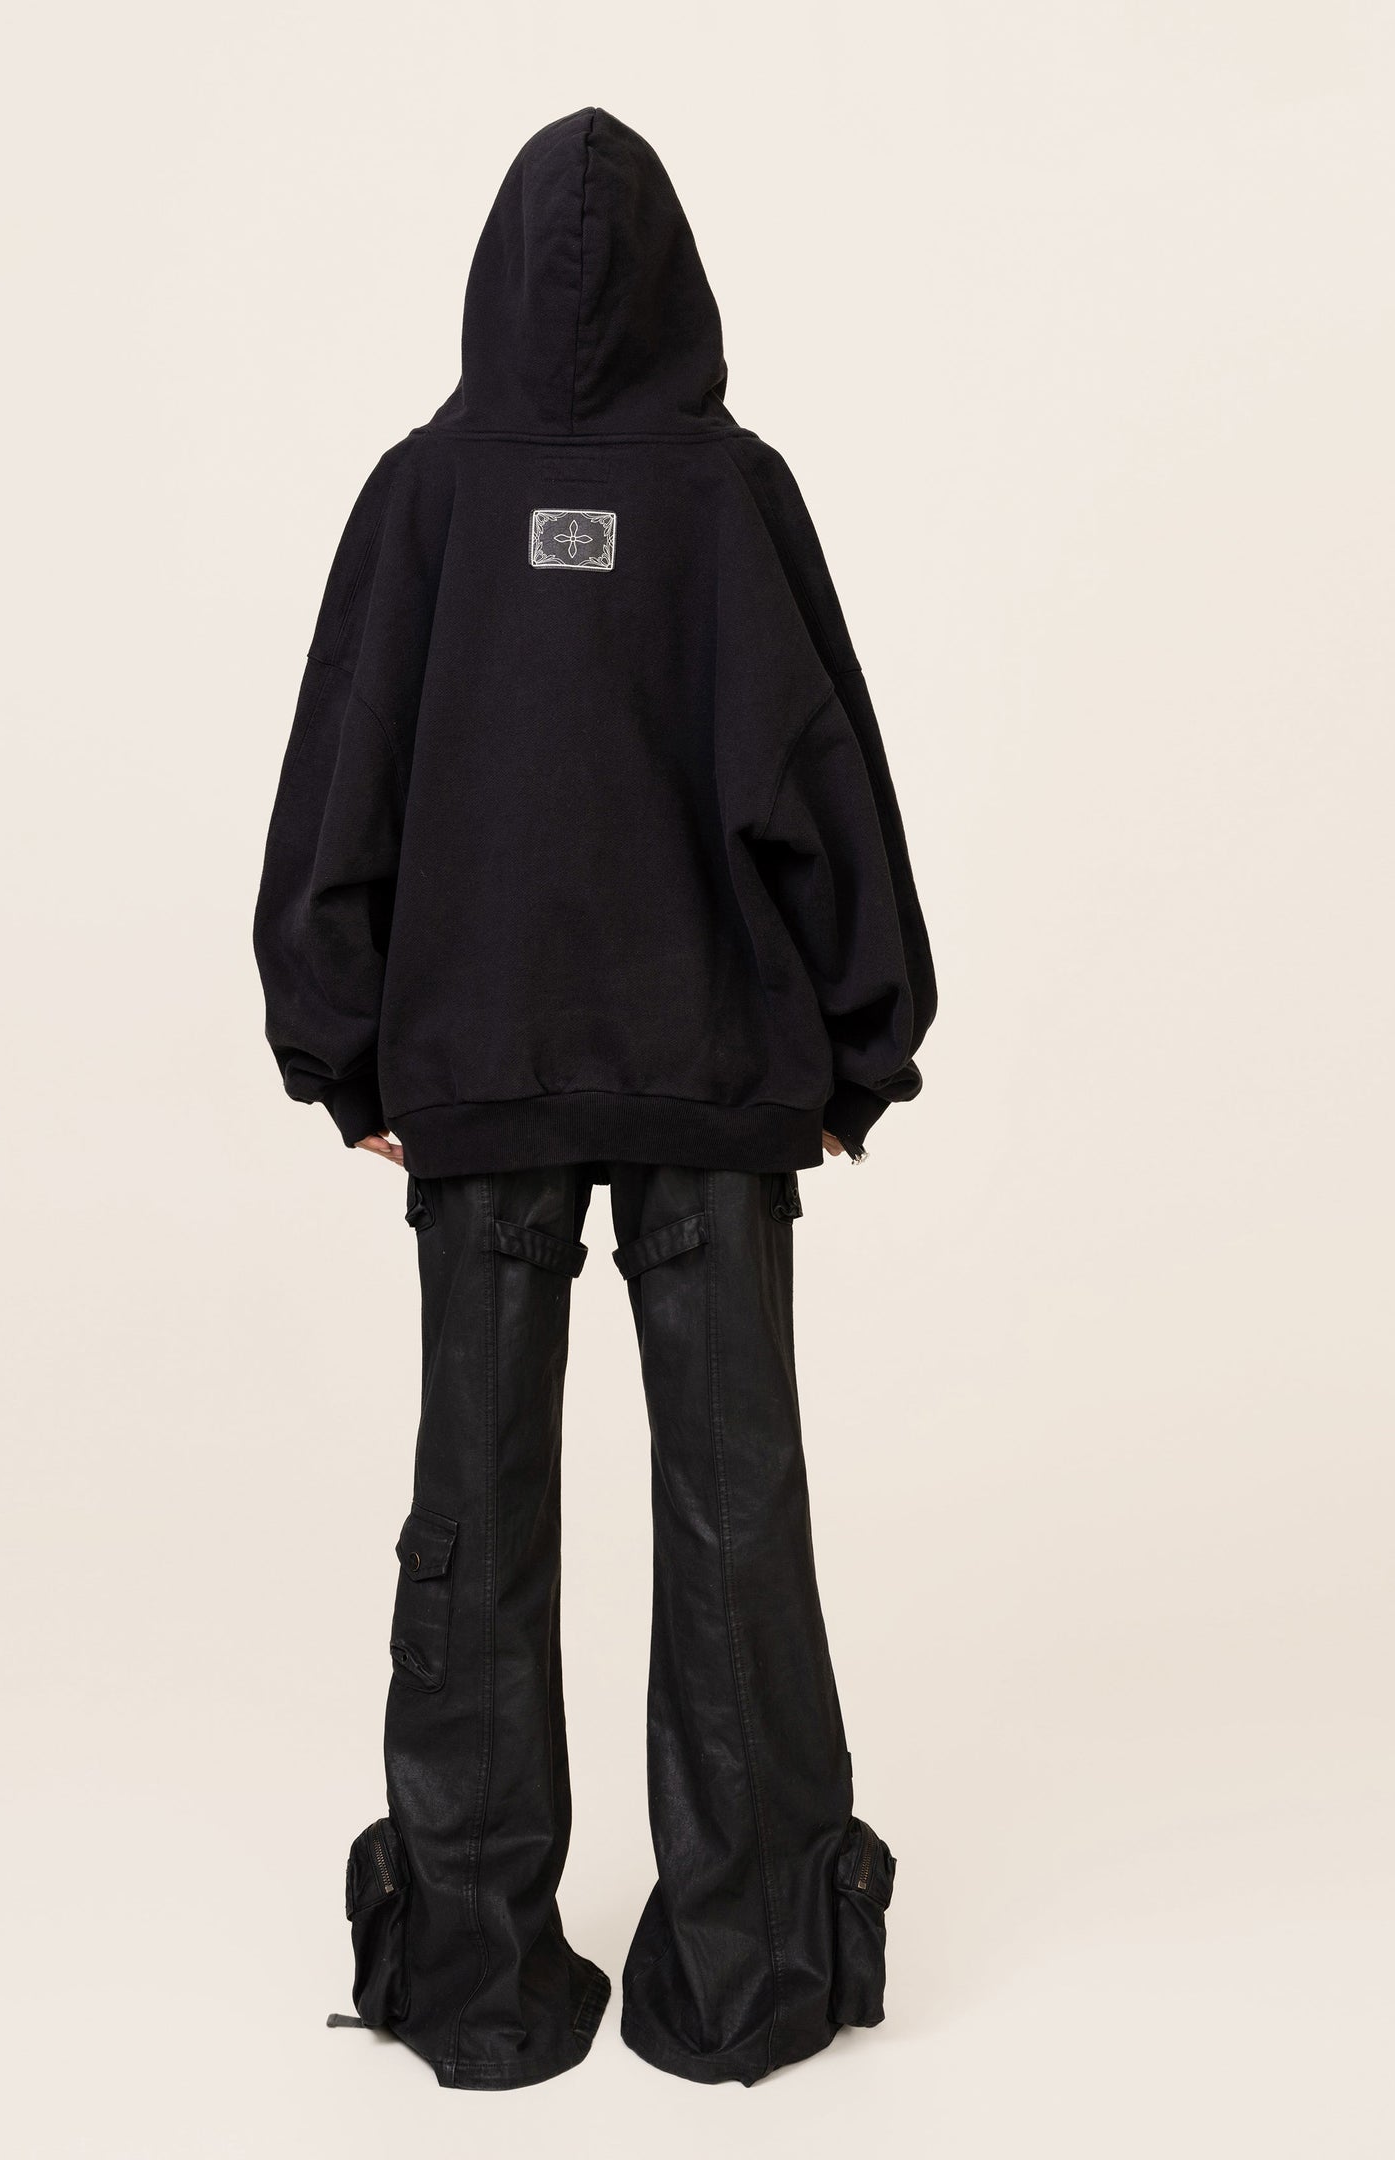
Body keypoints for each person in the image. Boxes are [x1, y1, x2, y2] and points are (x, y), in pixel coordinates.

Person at [254, 107, 935, 2090]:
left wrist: (344, 1047)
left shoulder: (426, 498)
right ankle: (750, 1976)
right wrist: (862, 1043)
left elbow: (344, 777)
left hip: (475, 1072)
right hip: (720, 1071)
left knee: (473, 1511)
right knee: (735, 1515)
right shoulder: (730, 497)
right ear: (678, 280)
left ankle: (474, 1979)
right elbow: (824, 775)